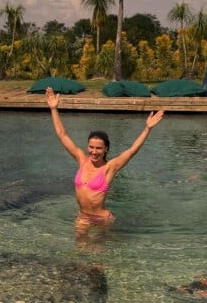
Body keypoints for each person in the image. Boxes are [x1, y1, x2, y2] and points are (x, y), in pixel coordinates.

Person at [45, 87, 164, 228]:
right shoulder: (82, 160)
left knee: (101, 250)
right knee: (80, 247)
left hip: (102, 219)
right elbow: (62, 135)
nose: (94, 151)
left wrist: (147, 129)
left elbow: (131, 151)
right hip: (83, 216)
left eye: (98, 148)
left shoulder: (109, 168)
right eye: (91, 147)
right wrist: (53, 109)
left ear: (106, 149)